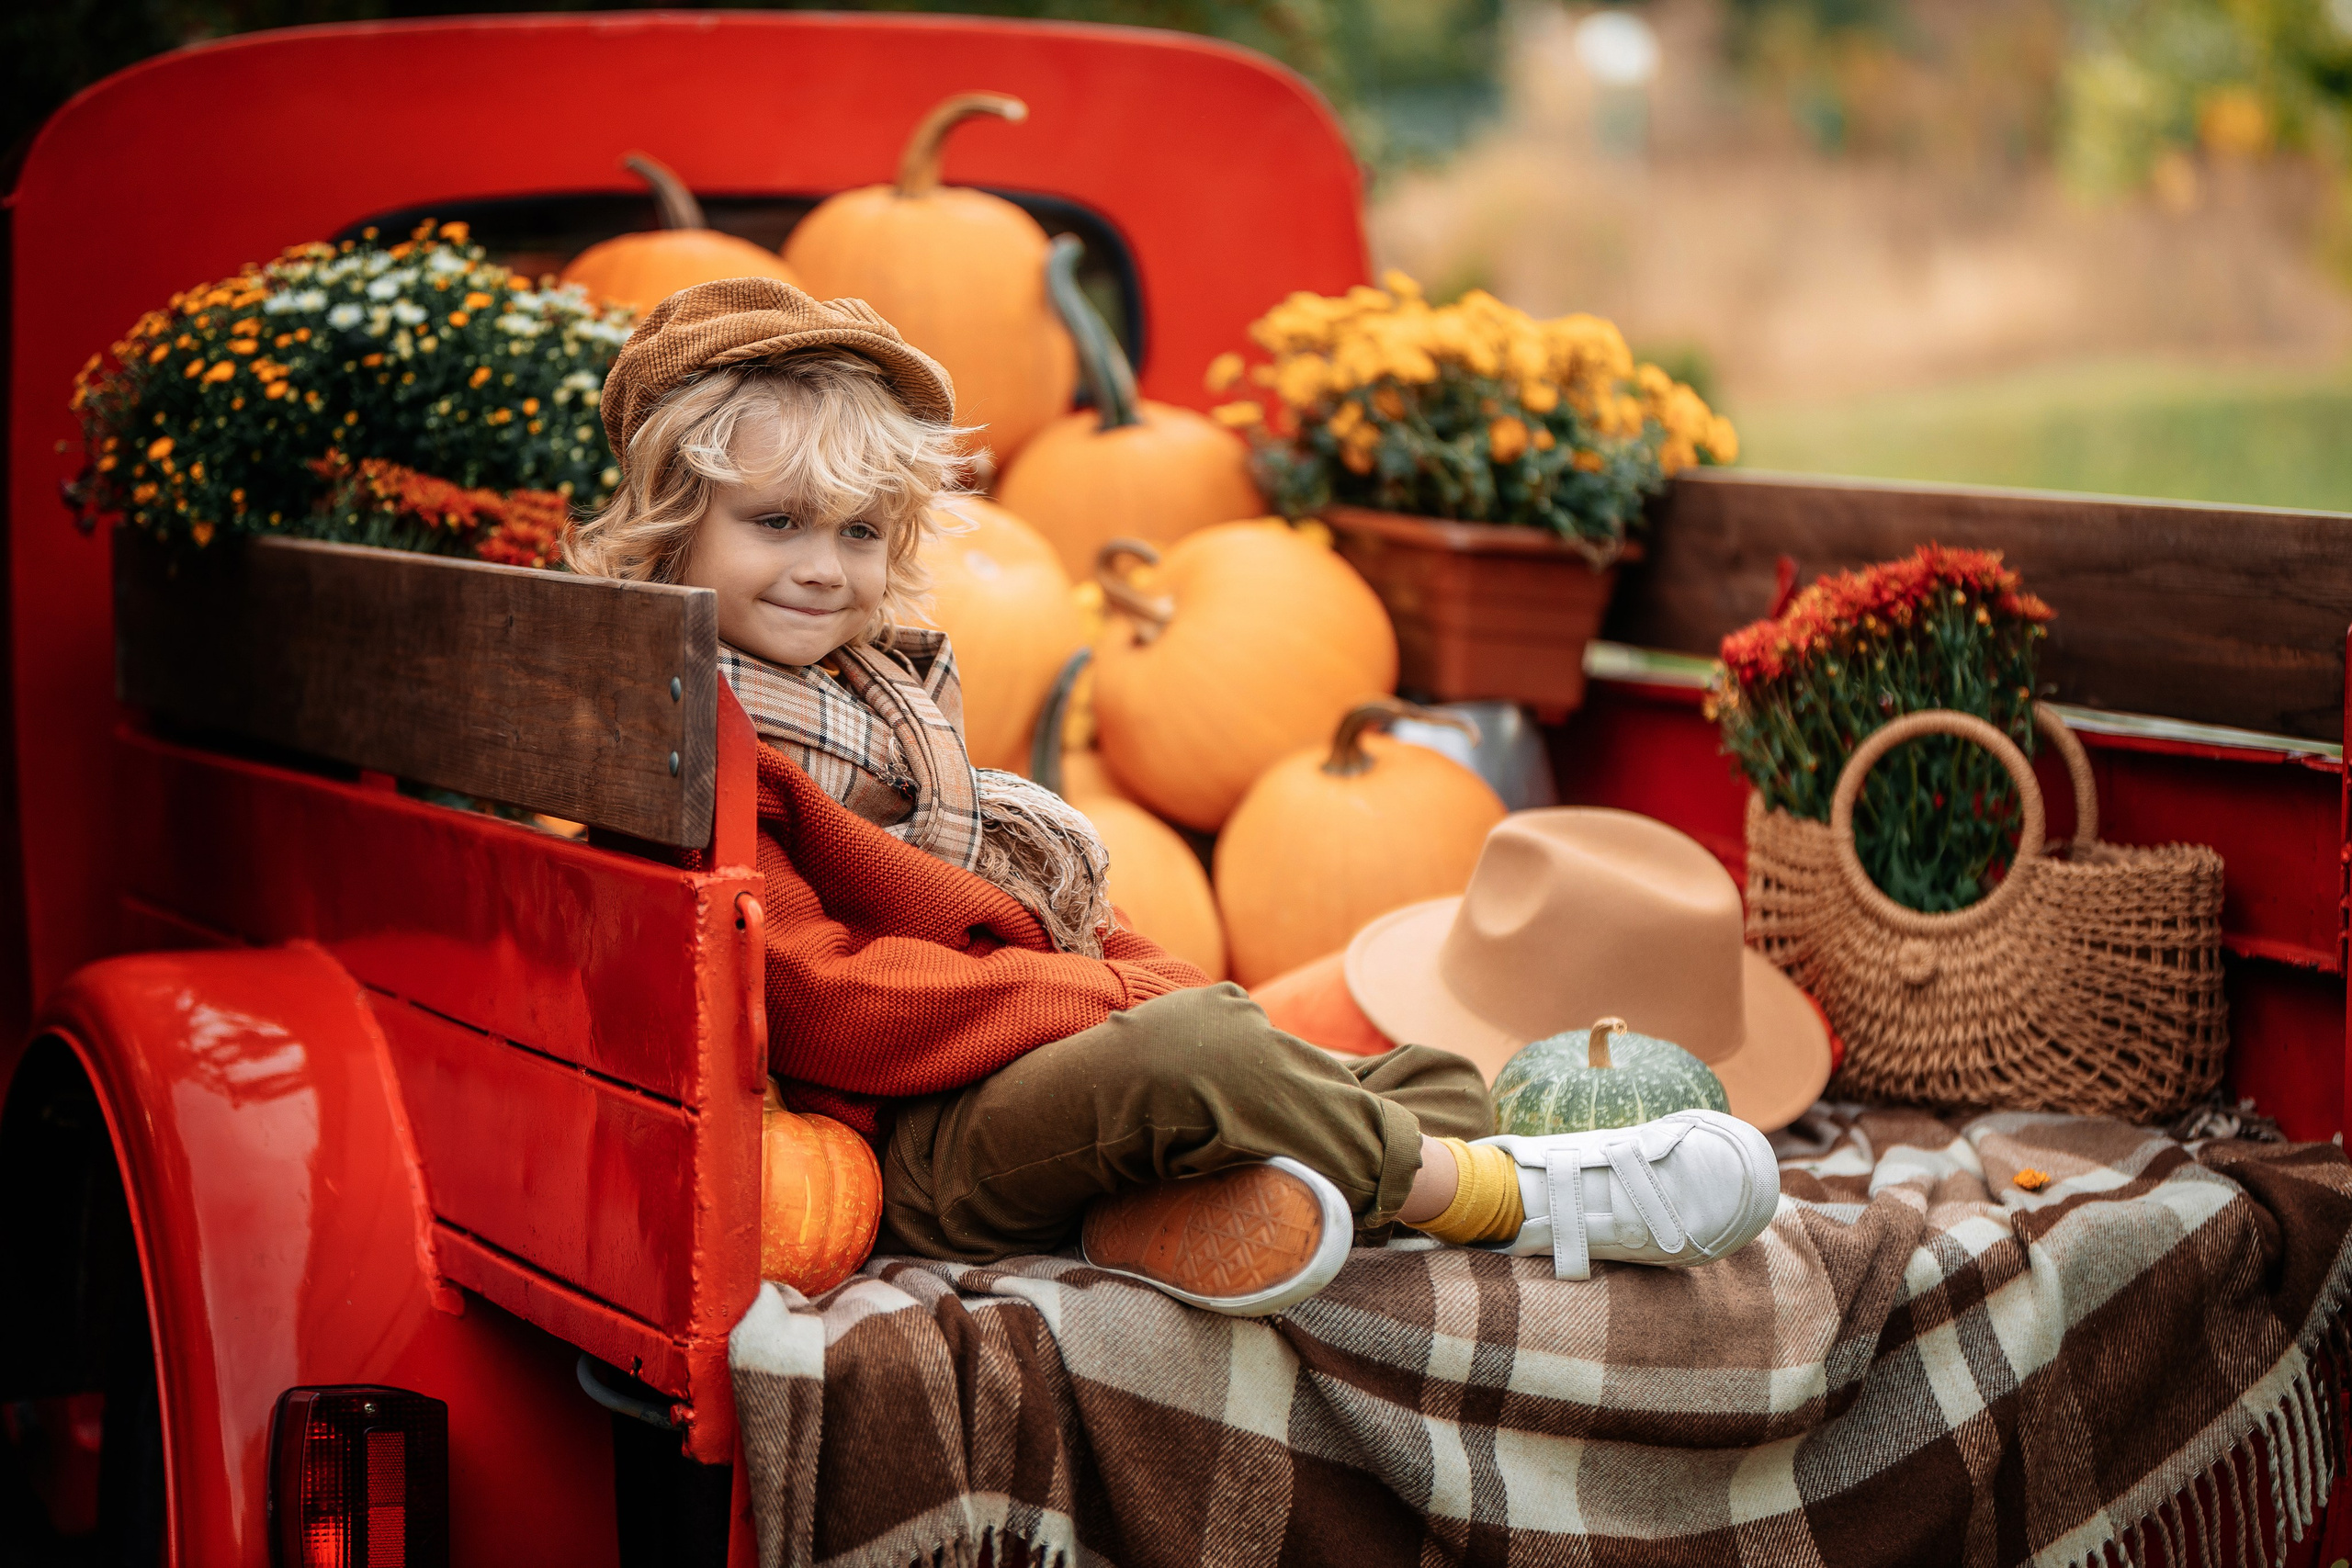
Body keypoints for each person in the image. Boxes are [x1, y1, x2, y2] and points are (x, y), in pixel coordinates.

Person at [570, 277, 1781, 1315]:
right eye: (777, 524)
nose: (824, 568)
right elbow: (830, 1003)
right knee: (1201, 1054)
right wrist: (1122, 1004)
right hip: (903, 1142)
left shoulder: (878, 706)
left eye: (858, 532)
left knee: (1422, 1076)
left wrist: (1156, 989)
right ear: (674, 524)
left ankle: (1173, 1212)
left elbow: (1040, 928)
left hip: (1004, 1078)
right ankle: (1518, 1200)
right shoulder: (701, 742)